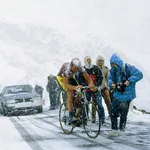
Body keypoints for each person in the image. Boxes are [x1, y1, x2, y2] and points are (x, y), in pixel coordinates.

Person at [108, 53, 143, 135]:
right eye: (112, 64)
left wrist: (129, 80)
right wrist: (111, 83)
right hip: (117, 93)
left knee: (124, 111)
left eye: (115, 64)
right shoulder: (113, 70)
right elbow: (110, 78)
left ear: (118, 63)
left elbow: (139, 74)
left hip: (127, 94)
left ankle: (121, 129)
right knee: (112, 109)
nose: (114, 66)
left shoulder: (128, 68)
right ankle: (114, 129)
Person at [57, 58, 94, 125]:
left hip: (71, 77)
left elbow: (88, 79)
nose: (76, 70)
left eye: (77, 69)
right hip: (62, 78)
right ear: (71, 66)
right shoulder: (66, 69)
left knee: (80, 92)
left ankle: (76, 112)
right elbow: (66, 85)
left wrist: (91, 84)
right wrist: (75, 87)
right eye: (75, 68)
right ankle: (70, 115)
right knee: (70, 93)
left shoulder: (81, 68)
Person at [77, 56, 105, 124]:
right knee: (86, 105)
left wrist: (96, 85)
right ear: (85, 61)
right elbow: (80, 79)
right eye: (87, 60)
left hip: (95, 89)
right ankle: (85, 120)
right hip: (87, 90)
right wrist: (85, 85)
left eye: (90, 59)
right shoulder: (82, 69)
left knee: (99, 104)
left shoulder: (95, 68)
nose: (89, 61)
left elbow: (100, 78)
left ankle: (102, 119)